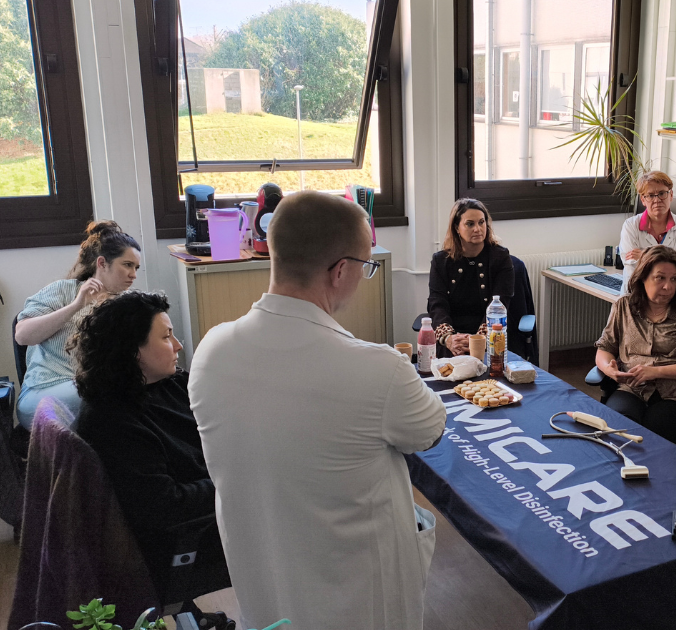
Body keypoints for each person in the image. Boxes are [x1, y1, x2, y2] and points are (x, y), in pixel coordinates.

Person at [189, 191, 447, 630]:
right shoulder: (377, 368)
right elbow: (429, 429)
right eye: (366, 268)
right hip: (360, 596)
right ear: (341, 270)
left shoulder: (211, 349)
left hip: (264, 582)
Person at [71, 291, 227, 594]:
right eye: (166, 337)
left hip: (216, 509)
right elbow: (165, 506)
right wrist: (232, 482)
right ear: (132, 350)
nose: (178, 345)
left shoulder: (168, 383)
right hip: (188, 542)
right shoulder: (112, 420)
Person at [14, 220, 141, 427]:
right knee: (104, 401)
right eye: (127, 265)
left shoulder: (130, 306)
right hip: (45, 392)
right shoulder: (64, 290)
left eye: (136, 267)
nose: (133, 275)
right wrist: (76, 305)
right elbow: (23, 336)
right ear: (102, 263)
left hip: (99, 390)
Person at [595, 246, 676, 452]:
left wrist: (655, 372)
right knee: (615, 432)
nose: (667, 287)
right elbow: (605, 347)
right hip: (632, 389)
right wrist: (609, 369)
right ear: (643, 278)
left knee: (652, 438)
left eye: (674, 279)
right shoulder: (624, 306)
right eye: (659, 278)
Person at [428, 198, 514, 356]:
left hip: (490, 332)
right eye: (470, 224)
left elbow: (501, 301)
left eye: (481, 222)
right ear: (457, 227)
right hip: (453, 333)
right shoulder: (440, 261)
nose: (478, 229)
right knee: (446, 371)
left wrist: (479, 338)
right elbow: (437, 303)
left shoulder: (500, 257)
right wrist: (448, 338)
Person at [618, 171, 676, 294]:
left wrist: (644, 255)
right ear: (643, 199)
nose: (657, 200)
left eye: (661, 193)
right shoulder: (630, 226)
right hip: (638, 296)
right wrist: (675, 258)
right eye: (650, 195)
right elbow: (633, 271)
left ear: (671, 195)